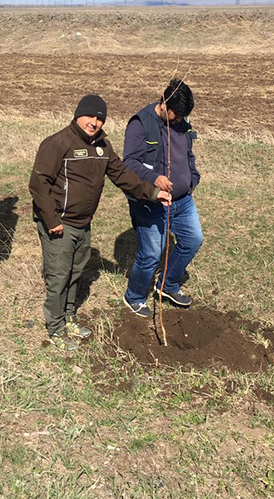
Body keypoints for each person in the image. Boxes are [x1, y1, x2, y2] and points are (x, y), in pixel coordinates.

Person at [29, 95, 171, 352]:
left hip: (83, 223)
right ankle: (56, 328)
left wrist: (152, 192)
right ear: (78, 115)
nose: (94, 122)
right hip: (59, 224)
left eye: (99, 118)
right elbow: (39, 184)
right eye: (90, 116)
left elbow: (122, 175)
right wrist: (51, 220)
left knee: (75, 272)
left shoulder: (102, 146)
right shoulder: (57, 143)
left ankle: (69, 317)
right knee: (59, 276)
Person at [122, 78, 203, 317]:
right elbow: (129, 163)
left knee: (193, 240)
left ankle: (167, 285)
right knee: (151, 253)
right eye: (176, 115)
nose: (179, 120)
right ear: (165, 104)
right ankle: (135, 297)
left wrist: (192, 178)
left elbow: (188, 153)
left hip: (183, 200)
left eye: (183, 116)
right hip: (150, 201)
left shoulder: (181, 122)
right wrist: (155, 178)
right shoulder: (141, 123)